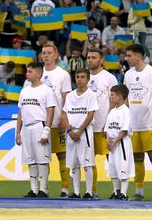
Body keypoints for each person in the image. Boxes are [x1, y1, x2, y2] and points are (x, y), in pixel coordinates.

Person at [122, 44, 152, 202]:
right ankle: (139, 191)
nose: (126, 59)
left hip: (149, 124)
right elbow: (126, 97)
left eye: (129, 56)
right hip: (134, 125)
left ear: (138, 56)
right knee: (137, 158)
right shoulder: (128, 75)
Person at [34, 42, 72, 197]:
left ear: (56, 55)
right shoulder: (37, 74)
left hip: (56, 121)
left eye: (49, 53)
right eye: (44, 53)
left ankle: (64, 188)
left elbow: (66, 98)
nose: (46, 55)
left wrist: (64, 116)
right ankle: (43, 188)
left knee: (62, 155)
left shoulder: (62, 74)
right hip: (40, 122)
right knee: (41, 157)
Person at [16, 61, 56, 198]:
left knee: (42, 160)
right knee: (30, 160)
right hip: (26, 128)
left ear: (38, 73)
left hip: (39, 126)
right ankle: (33, 189)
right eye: (27, 71)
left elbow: (50, 111)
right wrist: (18, 132)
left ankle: (44, 190)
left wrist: (47, 130)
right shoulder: (24, 90)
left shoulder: (47, 90)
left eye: (30, 71)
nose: (27, 74)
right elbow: (21, 112)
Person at [86, 47, 118, 196]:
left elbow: (115, 101)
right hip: (88, 127)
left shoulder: (109, 78)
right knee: (89, 161)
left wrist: (109, 122)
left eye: (93, 57)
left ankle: (117, 190)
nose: (90, 60)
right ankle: (92, 191)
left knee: (111, 158)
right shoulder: (83, 78)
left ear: (101, 60)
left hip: (105, 126)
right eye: (88, 57)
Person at [62, 68, 98, 199]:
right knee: (74, 163)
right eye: (77, 77)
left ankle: (88, 192)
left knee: (87, 163)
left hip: (85, 132)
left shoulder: (91, 95)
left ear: (88, 79)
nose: (79, 79)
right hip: (71, 132)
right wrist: (70, 130)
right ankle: (76, 192)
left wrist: (80, 131)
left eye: (82, 77)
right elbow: (64, 113)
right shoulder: (70, 95)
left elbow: (91, 114)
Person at [105, 84, 133, 200]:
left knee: (123, 168)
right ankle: (116, 192)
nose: (110, 97)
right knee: (113, 169)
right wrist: (107, 141)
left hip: (121, 143)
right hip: (112, 144)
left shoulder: (125, 111)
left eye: (112, 95)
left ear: (120, 97)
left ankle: (124, 193)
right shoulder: (112, 111)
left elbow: (124, 129)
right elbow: (107, 129)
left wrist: (115, 141)